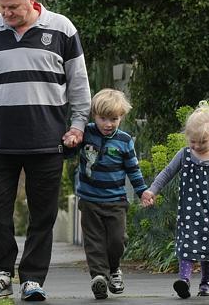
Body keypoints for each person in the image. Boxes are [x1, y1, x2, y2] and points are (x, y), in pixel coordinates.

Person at [0, 0, 91, 302]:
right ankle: (0, 274)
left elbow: (78, 83)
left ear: (32, 1)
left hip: (47, 138)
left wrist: (77, 125)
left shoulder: (62, 28)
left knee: (43, 211)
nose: (5, 14)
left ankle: (33, 278)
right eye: (2, 7)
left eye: (13, 8)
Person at [141, 102, 209, 299]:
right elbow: (167, 173)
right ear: (187, 137)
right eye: (193, 142)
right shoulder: (184, 155)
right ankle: (183, 280)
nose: (197, 146)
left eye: (203, 142)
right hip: (189, 213)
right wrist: (152, 190)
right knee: (187, 245)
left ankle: (205, 283)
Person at [65, 88, 147, 299]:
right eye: (103, 119)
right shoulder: (86, 134)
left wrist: (142, 192)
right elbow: (69, 153)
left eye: (114, 119)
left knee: (116, 240)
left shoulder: (125, 140)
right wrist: (70, 143)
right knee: (94, 241)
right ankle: (99, 277)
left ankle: (114, 270)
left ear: (121, 117)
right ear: (94, 116)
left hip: (116, 200)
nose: (108, 124)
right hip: (90, 199)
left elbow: (133, 170)